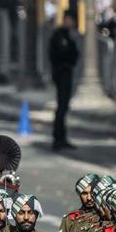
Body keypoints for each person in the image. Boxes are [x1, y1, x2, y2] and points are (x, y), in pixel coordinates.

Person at [49, 11, 79, 150]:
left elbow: (74, 54)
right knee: (61, 106)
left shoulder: (69, 35)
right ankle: (57, 138)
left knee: (64, 106)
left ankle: (62, 137)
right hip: (61, 73)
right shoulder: (59, 35)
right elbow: (59, 53)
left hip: (67, 72)